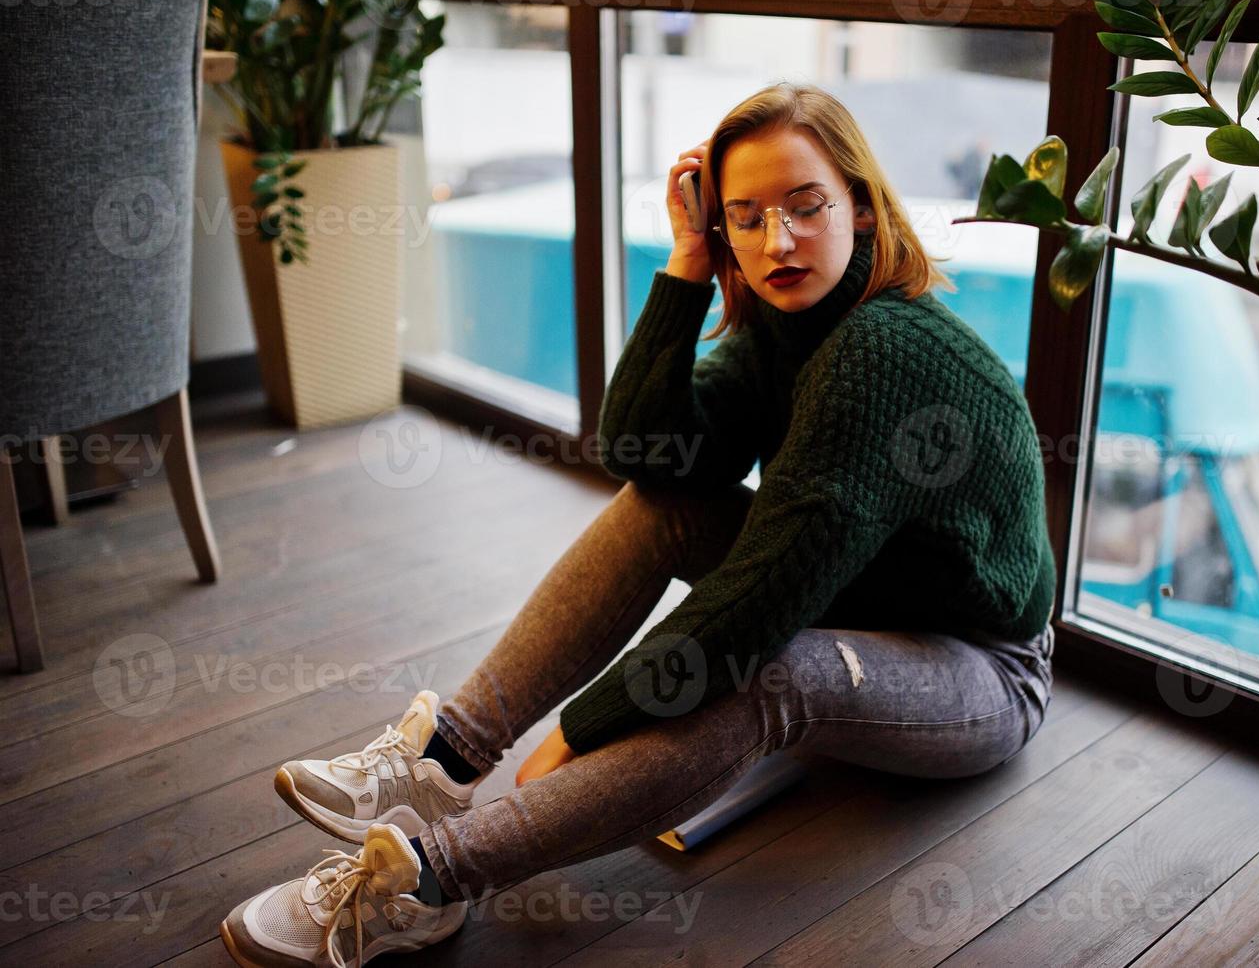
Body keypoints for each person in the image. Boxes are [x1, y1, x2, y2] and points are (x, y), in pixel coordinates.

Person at [218, 81, 1057, 968]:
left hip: (981, 667)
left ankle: (427, 882)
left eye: (806, 206)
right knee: (662, 507)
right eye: (745, 216)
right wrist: (685, 265)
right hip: (859, 595)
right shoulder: (786, 319)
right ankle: (441, 759)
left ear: (858, 201)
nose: (778, 240)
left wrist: (586, 730)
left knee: (776, 673)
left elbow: (755, 608)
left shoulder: (882, 350)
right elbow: (642, 455)